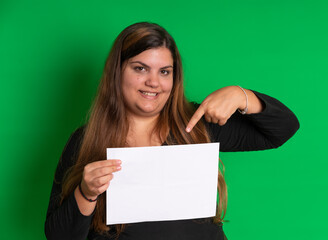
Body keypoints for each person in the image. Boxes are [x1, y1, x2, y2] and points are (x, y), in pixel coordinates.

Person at [45, 22, 299, 240]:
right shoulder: (85, 141)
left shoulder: (196, 124)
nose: (154, 82)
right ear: (117, 73)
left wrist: (243, 96)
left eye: (164, 71)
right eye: (140, 68)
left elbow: (283, 129)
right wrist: (86, 193)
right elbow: (58, 236)